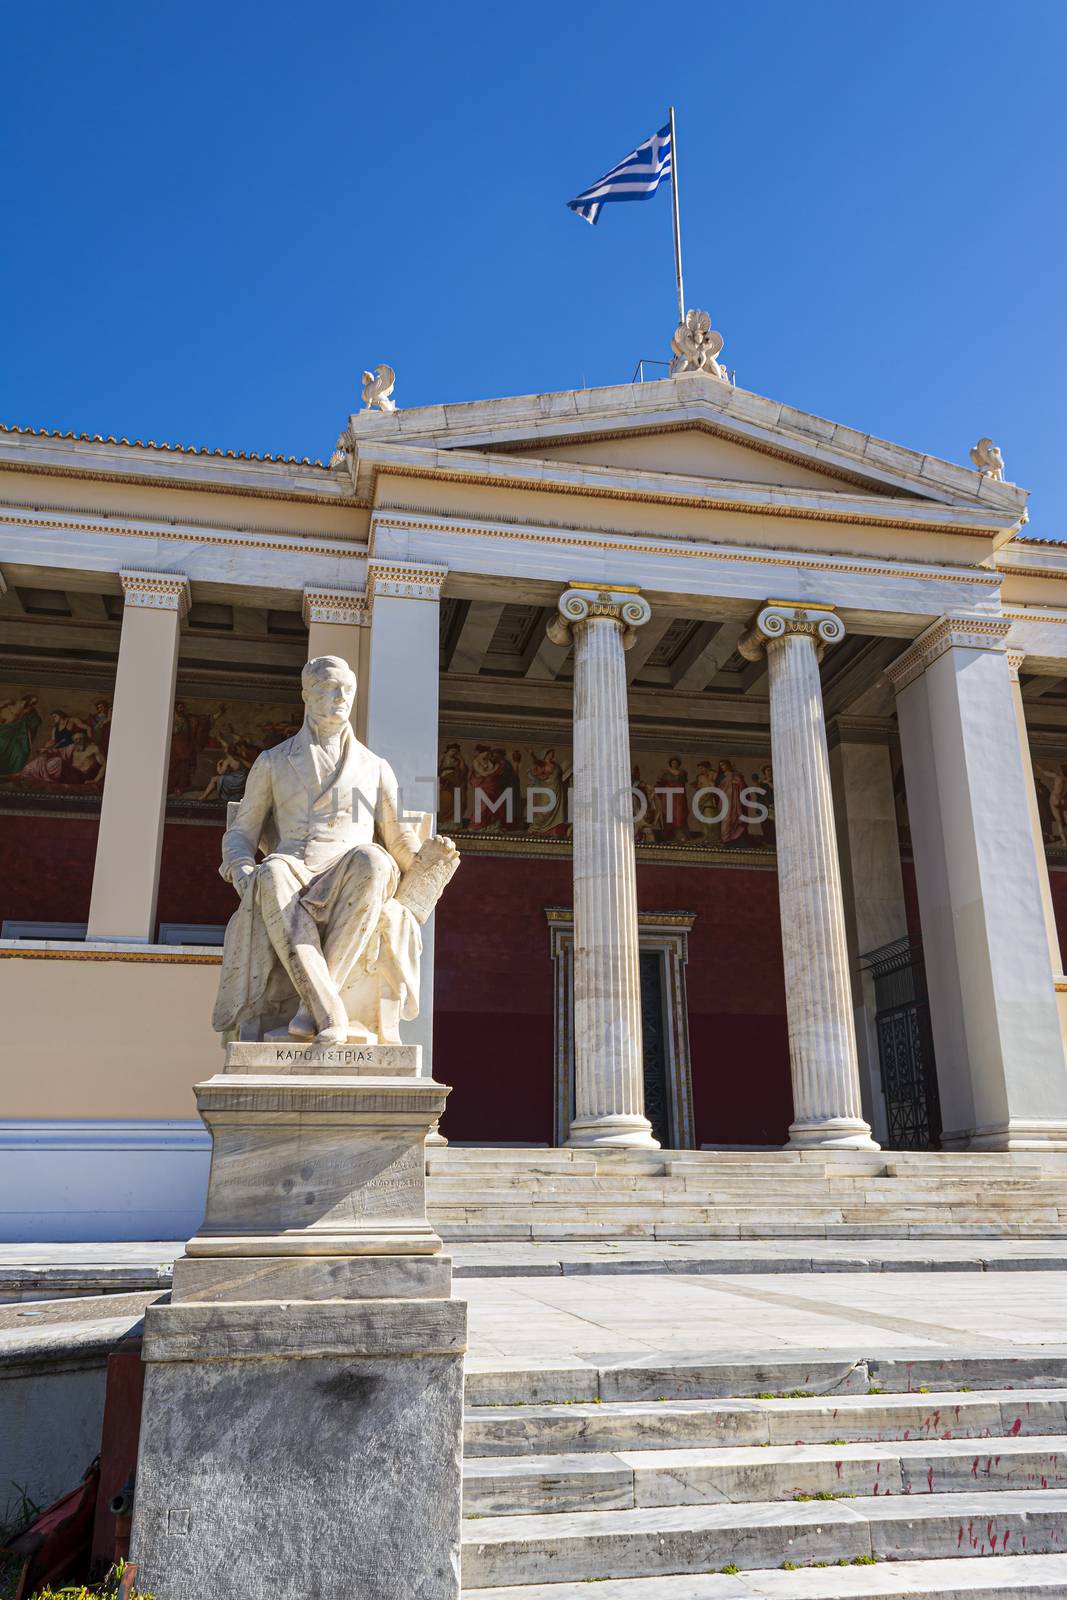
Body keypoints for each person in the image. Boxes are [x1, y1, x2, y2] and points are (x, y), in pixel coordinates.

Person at [212, 655, 457, 1047]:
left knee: (375, 859)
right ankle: (328, 1010)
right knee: (271, 872)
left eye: (346, 690)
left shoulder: (375, 766)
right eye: (329, 688)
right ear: (307, 694)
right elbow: (242, 832)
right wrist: (240, 866)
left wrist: (427, 861)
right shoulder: (273, 762)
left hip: (350, 868)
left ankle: (314, 1011)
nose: (340, 697)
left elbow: (396, 841)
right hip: (294, 866)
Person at [0, 694, 41, 776]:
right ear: (26, 699)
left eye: (33, 703)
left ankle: (13, 775)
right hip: (3, 734)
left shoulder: (30, 712)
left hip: (16, 737)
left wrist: (30, 714)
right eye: (30, 701)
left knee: (20, 753)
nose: (31, 704)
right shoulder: (11, 703)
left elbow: (35, 722)